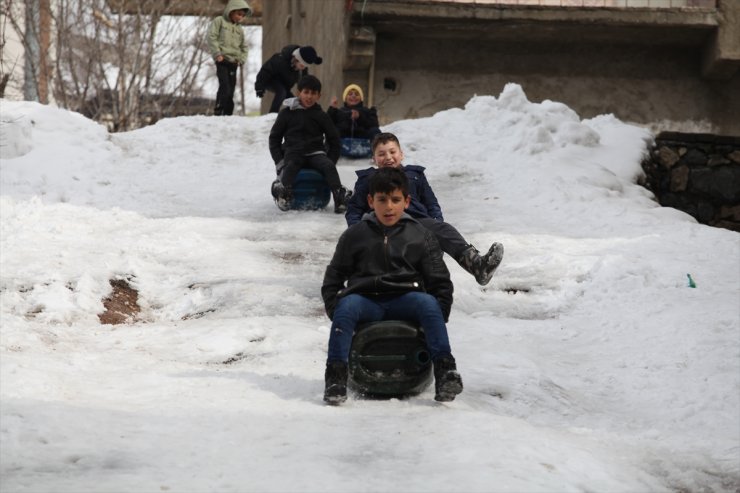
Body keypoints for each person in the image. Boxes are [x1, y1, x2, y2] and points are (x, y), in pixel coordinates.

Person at [321, 167, 463, 405]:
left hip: (407, 297)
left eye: (396, 200)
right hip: (365, 299)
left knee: (428, 303)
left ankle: (445, 371)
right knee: (347, 306)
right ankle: (335, 378)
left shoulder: (421, 234)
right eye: (382, 200)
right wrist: (336, 309)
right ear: (370, 201)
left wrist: (439, 315)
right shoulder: (355, 235)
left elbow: (439, 279)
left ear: (406, 201)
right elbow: (334, 276)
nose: (389, 207)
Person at [346, 132, 504, 286]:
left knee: (444, 230)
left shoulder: (414, 175)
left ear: (401, 154)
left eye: (392, 152)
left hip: (417, 223)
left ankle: (477, 266)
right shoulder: (367, 179)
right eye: (381, 154)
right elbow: (354, 209)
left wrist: (436, 224)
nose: (388, 157)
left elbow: (431, 203)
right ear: (374, 159)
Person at [268, 75, 349, 213]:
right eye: (306, 92)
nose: (309, 97)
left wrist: (331, 159)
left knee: (328, 166)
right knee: (291, 165)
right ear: (299, 92)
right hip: (293, 152)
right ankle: (283, 194)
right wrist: (279, 161)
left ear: (319, 95)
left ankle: (339, 196)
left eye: (313, 93)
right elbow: (274, 138)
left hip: (315, 153)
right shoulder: (287, 113)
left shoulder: (321, 116)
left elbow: (334, 140)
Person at [207, 0, 251, 116]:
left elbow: (244, 46)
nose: (240, 17)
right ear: (231, 12)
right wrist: (217, 54)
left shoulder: (239, 30)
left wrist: (241, 60)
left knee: (231, 90)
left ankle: (228, 115)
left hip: (233, 63)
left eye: (242, 15)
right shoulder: (219, 21)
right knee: (225, 86)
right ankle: (218, 110)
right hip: (222, 60)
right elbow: (212, 37)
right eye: (238, 14)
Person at [255, 45, 323, 113]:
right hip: (270, 80)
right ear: (296, 59)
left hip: (284, 86)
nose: (303, 68)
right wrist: (259, 87)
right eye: (302, 65)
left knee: (294, 102)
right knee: (281, 92)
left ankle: (297, 117)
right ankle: (272, 114)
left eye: (305, 66)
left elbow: (304, 82)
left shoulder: (302, 70)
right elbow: (265, 71)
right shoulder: (280, 60)